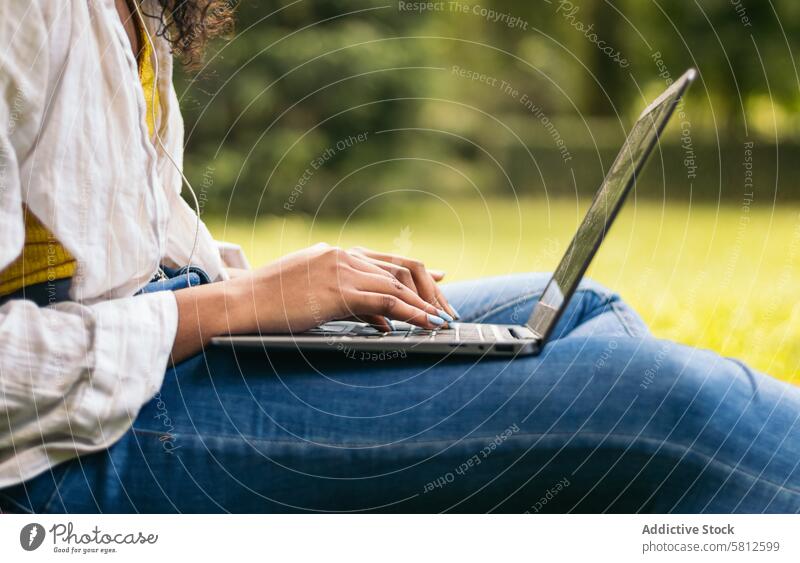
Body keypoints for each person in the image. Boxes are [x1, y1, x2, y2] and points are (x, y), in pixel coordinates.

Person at [0, 0, 798, 514]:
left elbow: (116, 236)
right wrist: (231, 309)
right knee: (652, 403)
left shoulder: (131, 14)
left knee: (584, 313)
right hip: (67, 451)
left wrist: (269, 286)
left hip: (154, 360)